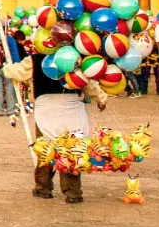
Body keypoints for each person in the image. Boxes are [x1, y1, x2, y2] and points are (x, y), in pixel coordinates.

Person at [30, 36, 105, 204]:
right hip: (71, 109)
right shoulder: (77, 59)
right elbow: (88, 83)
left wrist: (7, 69)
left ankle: (43, 187)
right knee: (71, 150)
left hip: (46, 109)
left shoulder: (35, 59)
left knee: (46, 150)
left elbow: (17, 71)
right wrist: (101, 98)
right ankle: (73, 192)